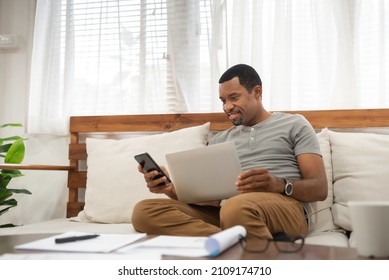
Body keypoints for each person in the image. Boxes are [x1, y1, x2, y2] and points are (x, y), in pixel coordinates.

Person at [131, 64, 328, 245]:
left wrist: (277, 184)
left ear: (257, 92)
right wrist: (169, 189)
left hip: (284, 207)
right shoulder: (219, 140)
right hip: (226, 210)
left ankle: (237, 239)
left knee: (236, 207)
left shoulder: (294, 124)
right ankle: (235, 240)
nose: (227, 107)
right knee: (144, 211)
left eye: (234, 98)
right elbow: (207, 198)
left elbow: (319, 188)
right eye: (223, 101)